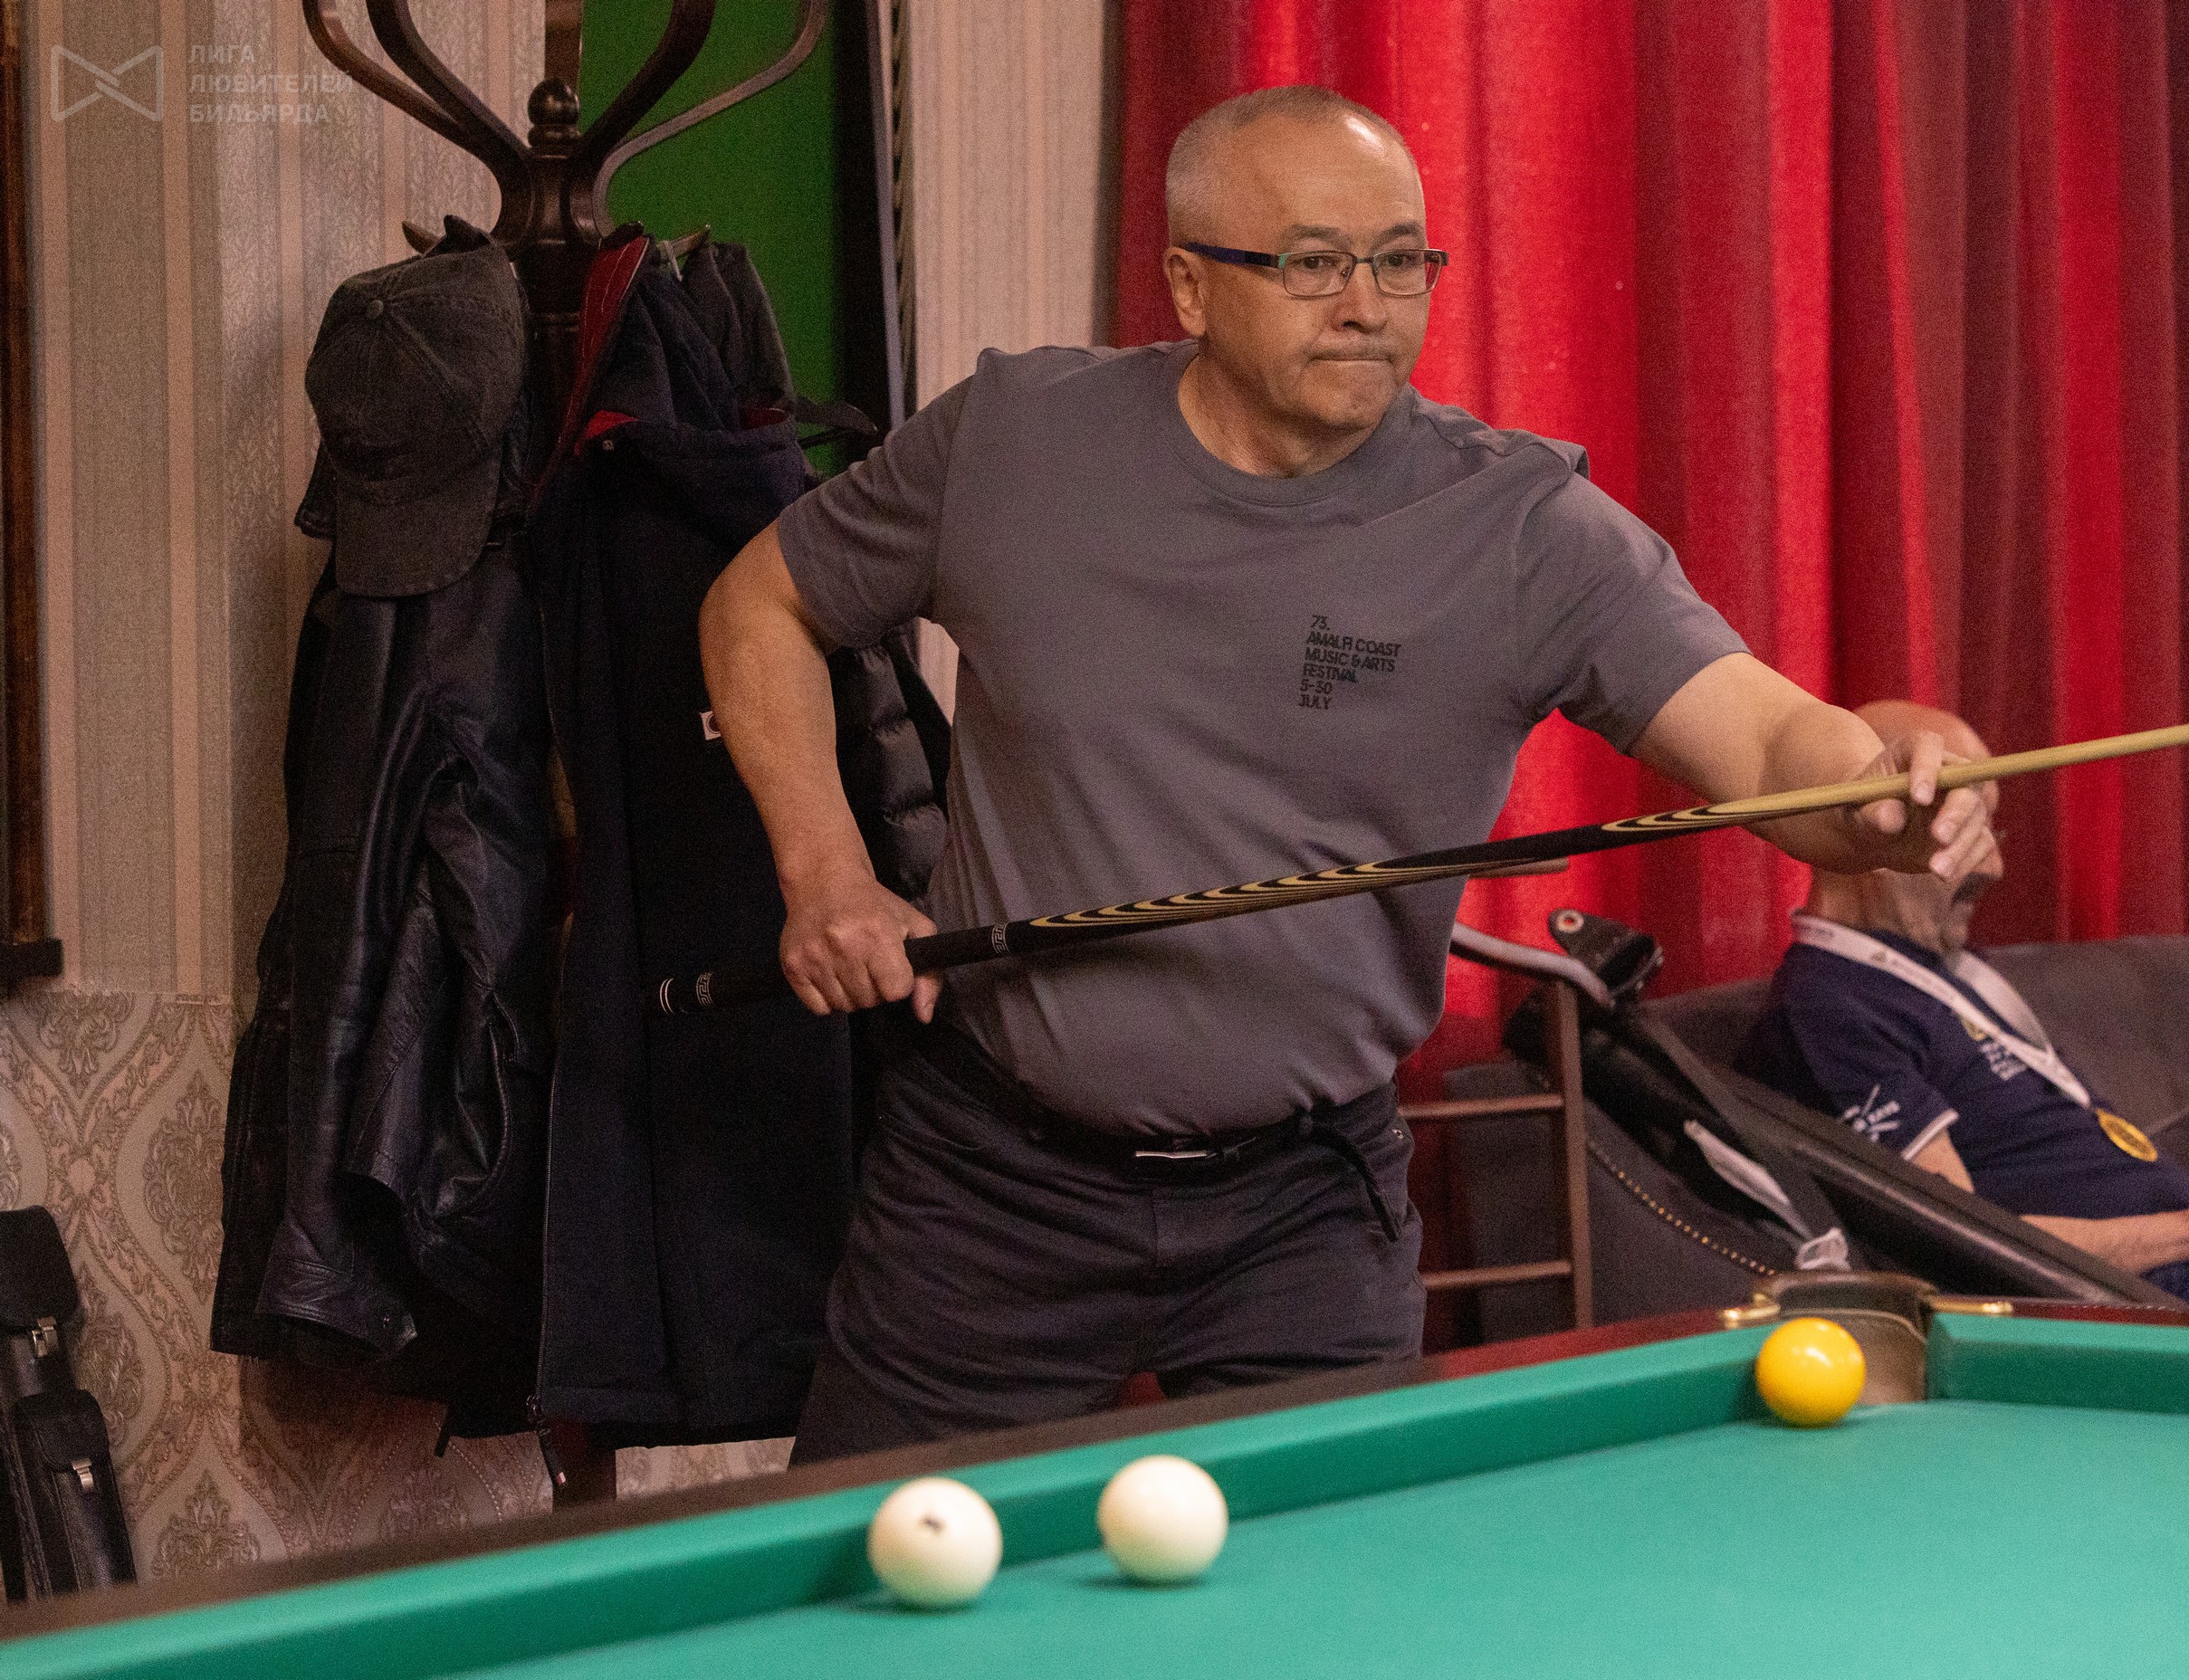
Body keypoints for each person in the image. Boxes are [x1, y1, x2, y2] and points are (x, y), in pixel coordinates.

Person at [699, 85, 1996, 1461]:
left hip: (1306, 1209)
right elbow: (758, 606)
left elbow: (1770, 739)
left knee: (1337, 1575)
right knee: (878, 1560)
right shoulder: (1012, 443)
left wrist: (1874, 792)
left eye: (1399, 260)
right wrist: (826, 876)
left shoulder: (1522, 528)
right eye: (1314, 263)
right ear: (1190, 285)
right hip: (990, 1183)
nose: (1367, 305)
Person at [1742, 700, 2189, 1302]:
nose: (1996, 866)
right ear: (1877, 825)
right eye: (1967, 827)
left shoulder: (1942, 970)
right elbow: (1966, 1248)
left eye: (1989, 831)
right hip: (2130, 1305)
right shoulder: (1828, 1008)